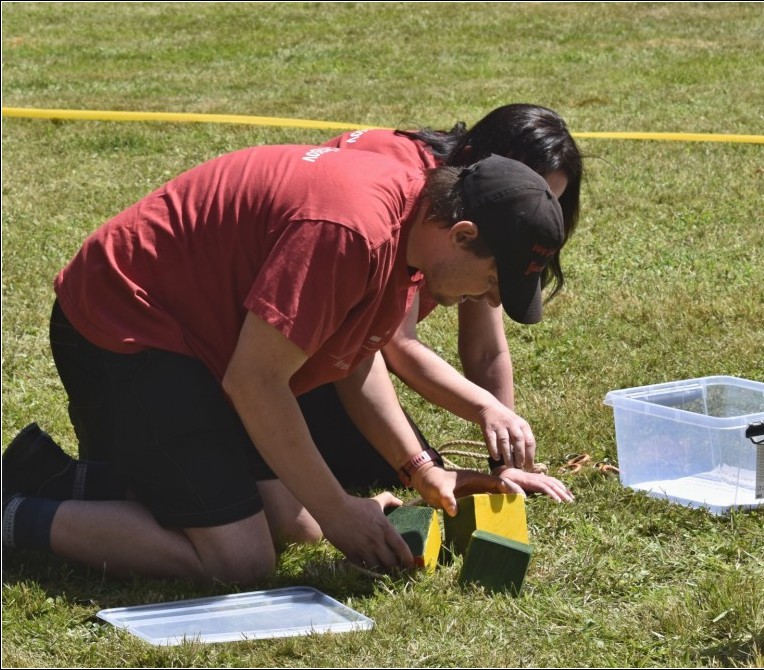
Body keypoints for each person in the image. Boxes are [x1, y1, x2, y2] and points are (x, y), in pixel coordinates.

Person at [2, 146, 565, 584]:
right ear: (462, 235)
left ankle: (48, 476)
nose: (490, 300)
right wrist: (342, 512)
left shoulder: (413, 224)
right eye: (493, 280)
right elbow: (255, 381)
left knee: (297, 523)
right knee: (238, 559)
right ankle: (12, 517)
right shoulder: (351, 232)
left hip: (199, 345)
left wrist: (419, 469)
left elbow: (354, 359)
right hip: (123, 327)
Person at [299, 104, 582, 501]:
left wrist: (506, 459)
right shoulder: (420, 196)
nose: (536, 211)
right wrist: (477, 416)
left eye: (550, 202)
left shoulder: (483, 214)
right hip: (293, 341)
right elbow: (392, 343)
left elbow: (484, 348)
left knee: (387, 465)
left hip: (340, 349)